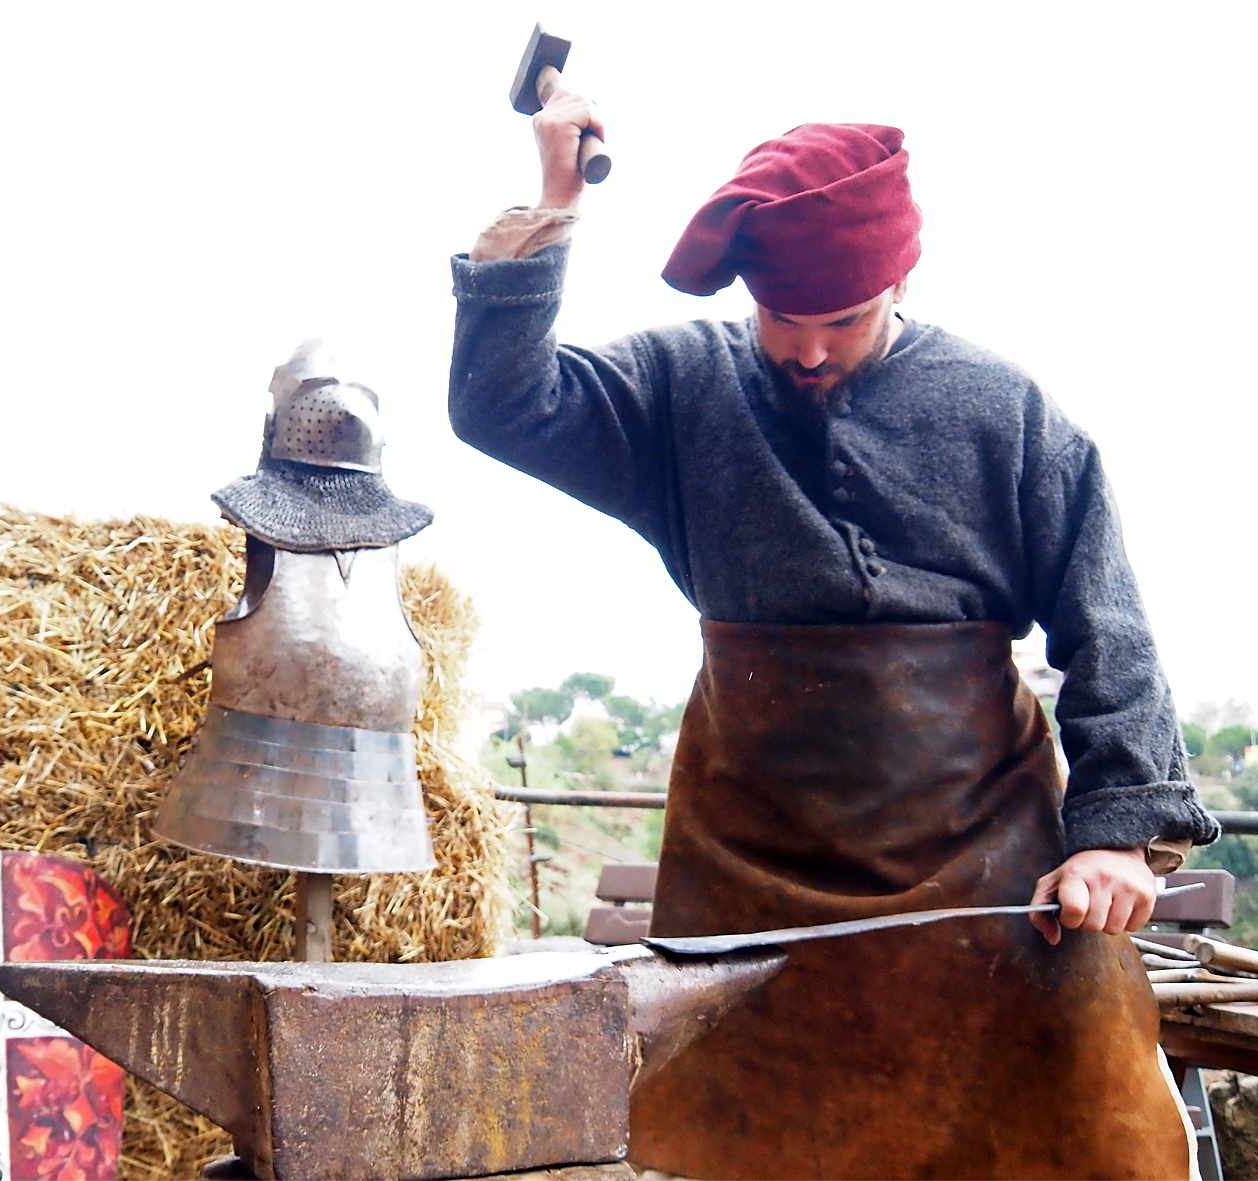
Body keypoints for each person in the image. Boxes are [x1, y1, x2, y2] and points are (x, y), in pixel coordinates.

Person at [448, 87, 1219, 1180]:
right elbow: (501, 404)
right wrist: (555, 199)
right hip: (749, 877)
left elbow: (1110, 623)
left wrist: (1112, 832)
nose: (805, 352)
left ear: (901, 281)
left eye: (841, 324)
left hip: (986, 872)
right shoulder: (687, 388)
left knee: (1088, 1122)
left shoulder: (1006, 413)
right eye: (780, 323)